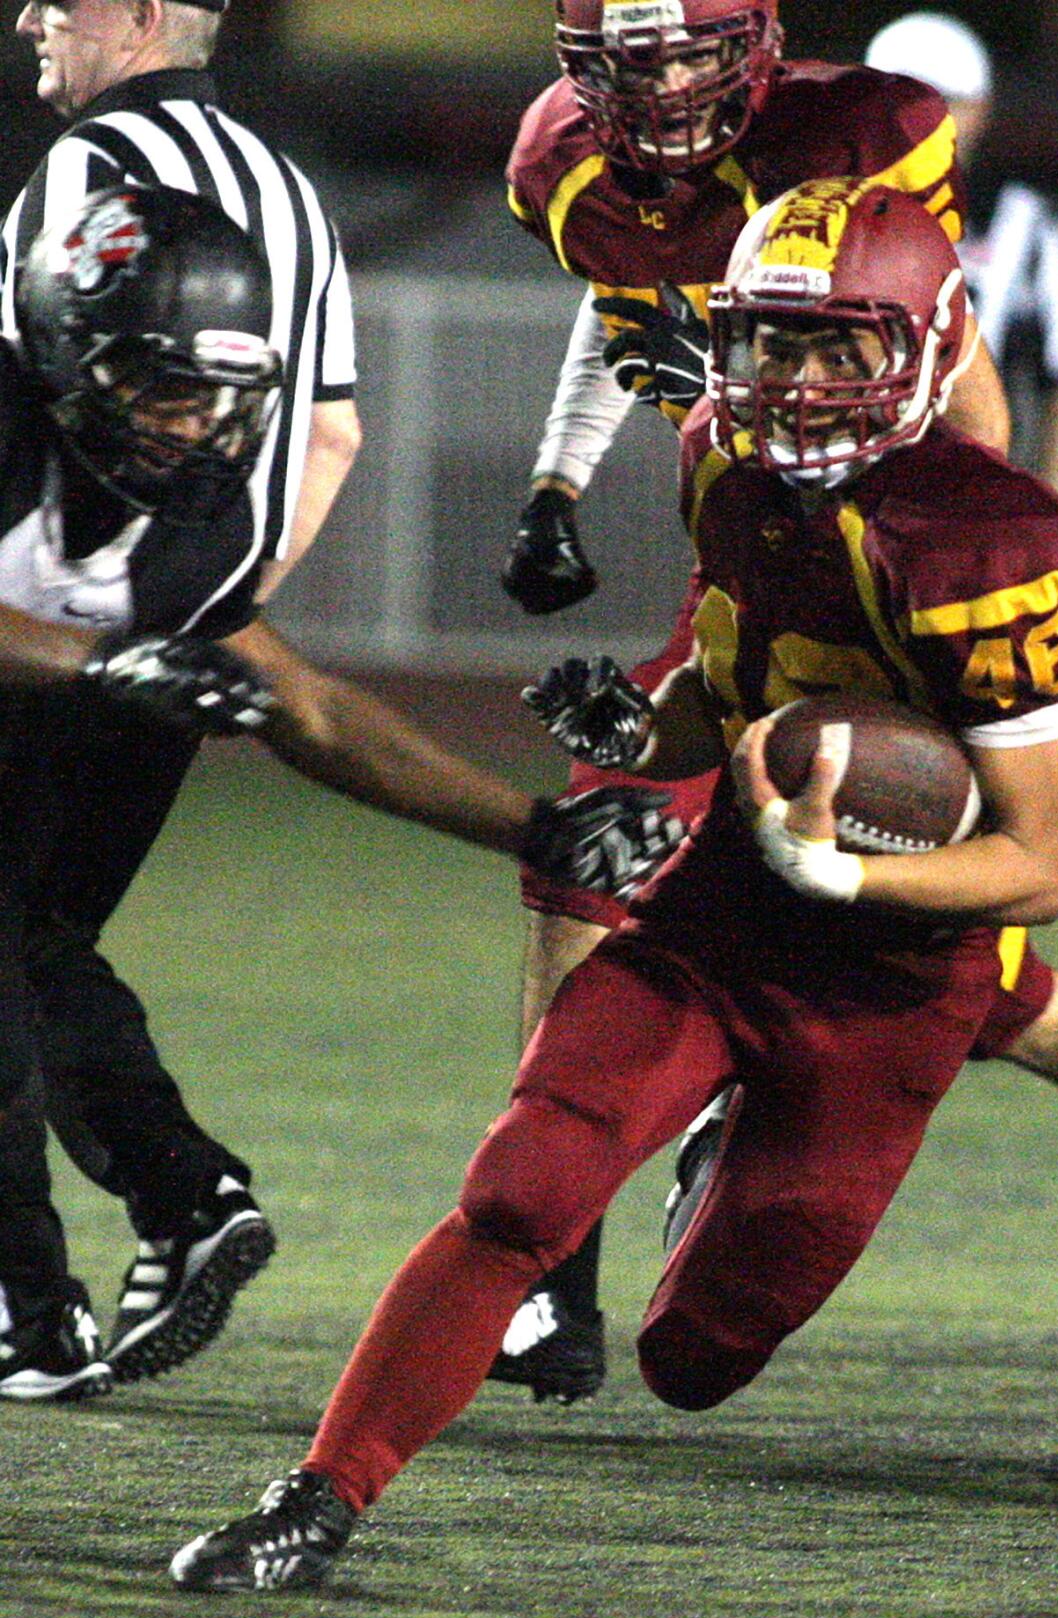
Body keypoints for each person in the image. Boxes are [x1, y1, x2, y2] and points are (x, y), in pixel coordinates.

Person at [169, 177, 1058, 1592]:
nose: (792, 384)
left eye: (837, 347)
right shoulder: (721, 450)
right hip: (724, 918)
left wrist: (841, 867)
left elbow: (1039, 865)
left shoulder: (998, 546)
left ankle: (727, 1150)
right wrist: (646, 727)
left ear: (922, 350)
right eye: (769, 343)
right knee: (521, 1189)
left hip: (894, 993)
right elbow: (732, 684)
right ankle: (317, 1495)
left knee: (693, 1361)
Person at [489, 0, 1058, 1404]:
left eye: (694, 54)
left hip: (883, 561)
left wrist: (926, 604)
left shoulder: (862, 152)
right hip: (758, 532)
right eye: (639, 65)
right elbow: (623, 303)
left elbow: (968, 397)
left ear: (754, 46)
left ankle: (560, 1252)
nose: (672, 89)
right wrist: (558, 480)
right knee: (609, 845)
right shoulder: (570, 173)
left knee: (963, 967)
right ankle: (548, 1265)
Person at [0, 184, 681, 1400]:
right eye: (159, 385)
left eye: (214, 394)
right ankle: (82, 1264)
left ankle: (85, 1273)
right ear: (60, 354)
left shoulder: (193, 514)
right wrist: (106, 660)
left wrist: (535, 830)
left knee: (30, 948)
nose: (191, 425)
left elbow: (309, 712)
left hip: (49, 717)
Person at [0, 0, 361, 1386]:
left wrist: (99, 597)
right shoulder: (291, 192)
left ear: (144, 14)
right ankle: (183, 1196)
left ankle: (32, 1308)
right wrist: (212, 591)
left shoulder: (92, 178)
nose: (33, 16)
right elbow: (330, 430)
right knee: (37, 941)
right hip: (194, 626)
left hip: (49, 616)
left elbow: (36, 401)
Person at [865, 11, 1058, 502]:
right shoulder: (820, 208)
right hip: (846, 481)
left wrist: (1053, 507)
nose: (924, 122)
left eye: (946, 100)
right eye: (905, 101)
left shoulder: (1023, 223)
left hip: (973, 490)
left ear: (982, 108)